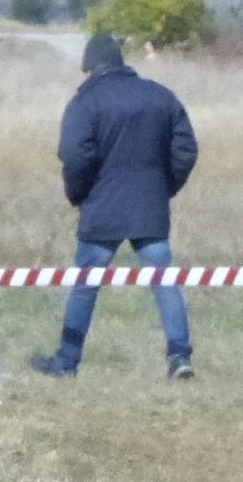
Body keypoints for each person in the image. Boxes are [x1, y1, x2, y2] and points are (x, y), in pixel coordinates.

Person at [31, 33, 198, 380]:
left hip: (102, 207)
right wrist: (162, 188)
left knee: (85, 284)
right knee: (164, 281)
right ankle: (180, 357)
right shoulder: (160, 96)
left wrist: (79, 194)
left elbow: (76, 155)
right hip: (149, 207)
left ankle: (66, 361)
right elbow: (185, 150)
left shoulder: (85, 101)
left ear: (90, 69)